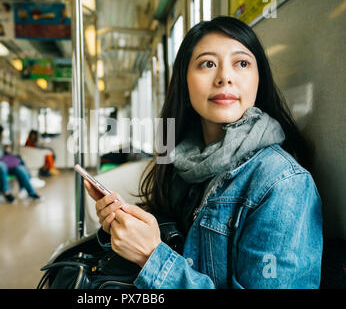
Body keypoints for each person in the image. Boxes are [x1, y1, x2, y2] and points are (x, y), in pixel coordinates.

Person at [84, 16, 322, 289]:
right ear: (185, 83)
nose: (225, 77)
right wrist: (120, 227)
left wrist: (151, 257)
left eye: (241, 63)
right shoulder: (179, 160)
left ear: (259, 80)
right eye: (207, 64)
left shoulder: (282, 183)